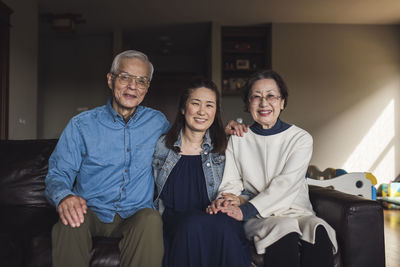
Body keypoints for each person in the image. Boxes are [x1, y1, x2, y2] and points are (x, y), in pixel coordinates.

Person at [45, 50, 169, 267]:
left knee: (151, 219)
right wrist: (64, 197)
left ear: (147, 88)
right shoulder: (81, 125)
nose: (133, 86)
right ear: (110, 80)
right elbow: (59, 173)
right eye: (125, 77)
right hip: (91, 210)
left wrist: (223, 134)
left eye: (141, 81)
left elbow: (187, 143)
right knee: (68, 222)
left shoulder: (158, 122)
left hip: (136, 214)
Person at [208, 70, 338, 267]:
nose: (264, 103)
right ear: (248, 103)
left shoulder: (300, 139)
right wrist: (228, 200)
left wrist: (246, 208)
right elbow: (231, 181)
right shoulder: (239, 139)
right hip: (260, 216)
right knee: (283, 228)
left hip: (297, 212)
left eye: (271, 96)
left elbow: (287, 184)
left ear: (282, 102)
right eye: (256, 97)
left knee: (318, 229)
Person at [152, 79, 251, 267]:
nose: (202, 111)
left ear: (216, 112)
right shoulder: (162, 146)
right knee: (191, 226)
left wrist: (236, 200)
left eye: (209, 105)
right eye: (195, 103)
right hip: (177, 222)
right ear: (183, 108)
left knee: (222, 227)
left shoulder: (226, 146)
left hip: (217, 219)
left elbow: (249, 191)